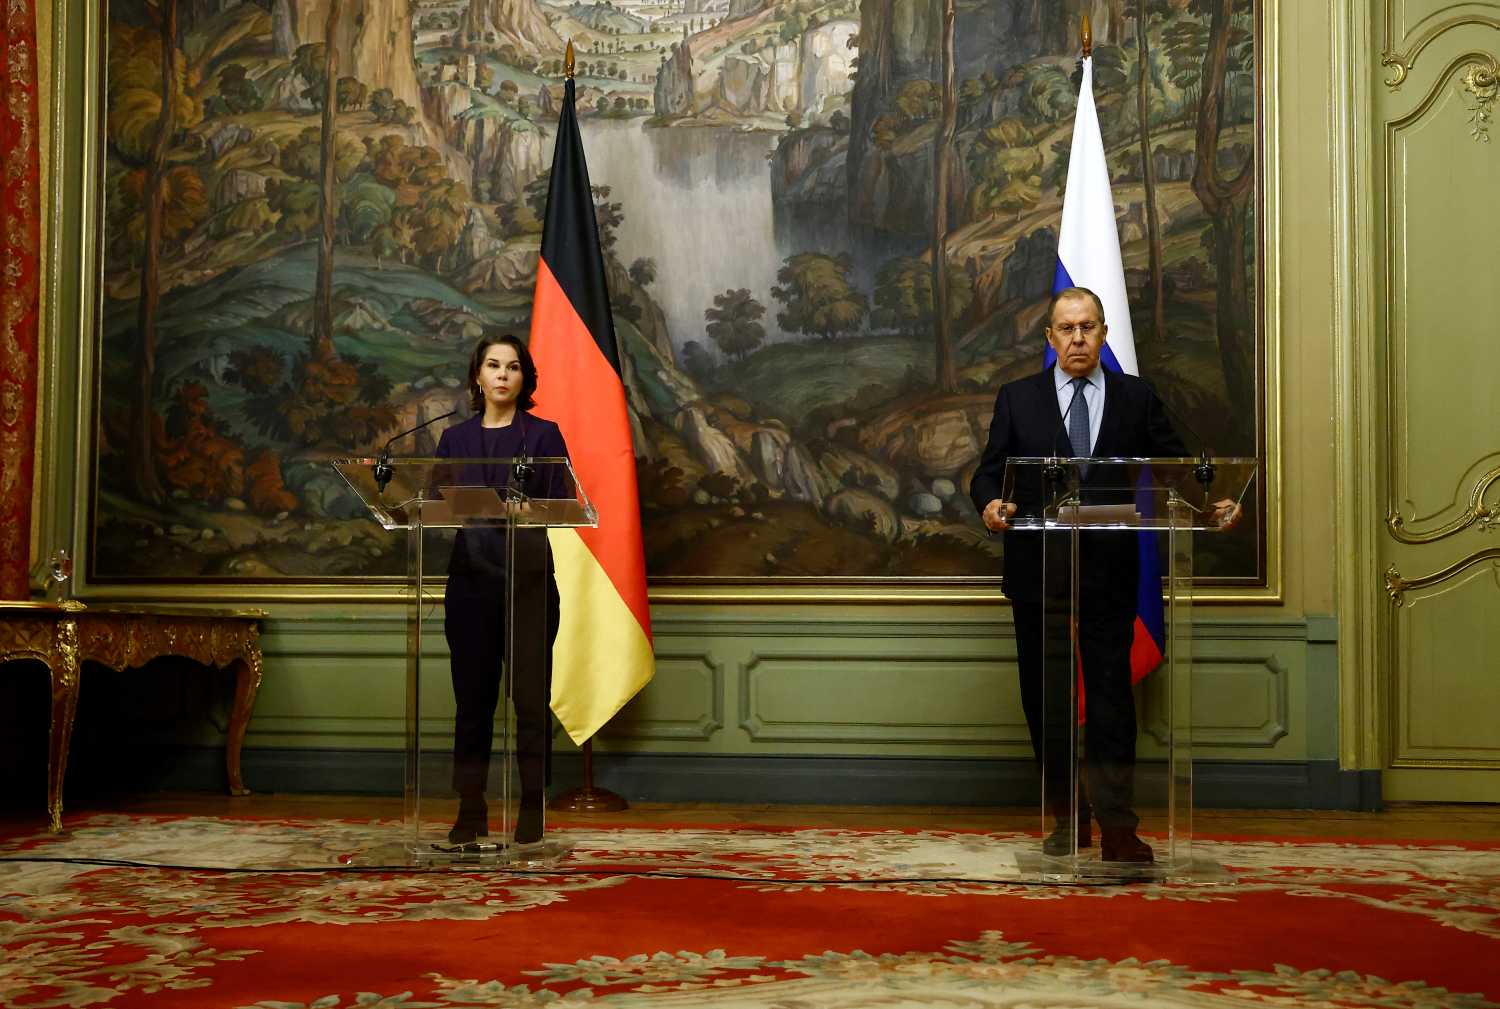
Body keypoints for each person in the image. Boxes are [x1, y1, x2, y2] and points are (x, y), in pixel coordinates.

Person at [969, 287, 1236, 864]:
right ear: (1049, 338)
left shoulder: (1136, 398)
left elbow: (1173, 467)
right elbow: (989, 474)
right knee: (1048, 700)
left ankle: (1118, 825)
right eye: (1066, 329)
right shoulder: (1018, 399)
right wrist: (991, 505)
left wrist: (1209, 504)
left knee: (1113, 701)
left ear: (1104, 333)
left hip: (1111, 575)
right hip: (1039, 573)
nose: (1077, 338)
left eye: (1088, 327)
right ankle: (1069, 819)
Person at [434, 334, 569, 847]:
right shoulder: (454, 439)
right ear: (477, 376)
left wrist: (526, 512)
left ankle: (532, 806)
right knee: (472, 702)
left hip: (529, 581)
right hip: (471, 583)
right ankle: (471, 808)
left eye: (513, 367)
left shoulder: (544, 435)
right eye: (493, 366)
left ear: (523, 379)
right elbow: (436, 504)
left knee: (530, 701)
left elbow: (563, 504)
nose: (502, 375)